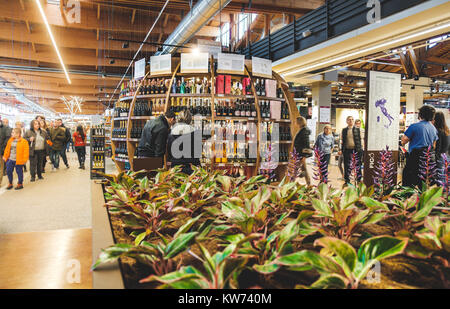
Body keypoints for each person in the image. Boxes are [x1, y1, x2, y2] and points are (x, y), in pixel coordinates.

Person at [401, 105, 438, 188]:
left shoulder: (414, 126)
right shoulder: (433, 128)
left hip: (416, 157)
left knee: (408, 179)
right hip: (429, 158)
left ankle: (409, 199)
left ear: (420, 115)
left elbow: (404, 141)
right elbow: (434, 145)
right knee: (424, 181)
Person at [167, 110, 201, 174]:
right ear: (190, 119)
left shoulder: (172, 132)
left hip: (176, 168)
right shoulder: (195, 133)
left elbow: (169, 151)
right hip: (192, 168)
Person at [340, 116, 363, 185]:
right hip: (347, 150)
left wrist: (360, 149)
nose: (351, 121)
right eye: (349, 120)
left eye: (352, 119)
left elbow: (360, 140)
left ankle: (359, 179)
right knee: (347, 165)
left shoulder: (357, 129)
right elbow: (342, 141)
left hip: (356, 150)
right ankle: (347, 180)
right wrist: (341, 149)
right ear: (347, 121)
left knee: (358, 165)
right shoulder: (344, 130)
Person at [293, 116, 312, 186]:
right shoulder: (302, 130)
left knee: (295, 169)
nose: (295, 123)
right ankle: (309, 183)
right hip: (299, 154)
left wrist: (304, 156)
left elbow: (306, 144)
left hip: (301, 154)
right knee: (303, 169)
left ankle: (291, 184)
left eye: (296, 122)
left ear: (299, 122)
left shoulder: (304, 131)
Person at [433, 111, 449, 186]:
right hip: (446, 156)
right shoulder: (447, 131)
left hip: (439, 157)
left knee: (439, 179)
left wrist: (434, 158)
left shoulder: (438, 131)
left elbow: (438, 148)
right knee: (444, 178)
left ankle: (439, 195)